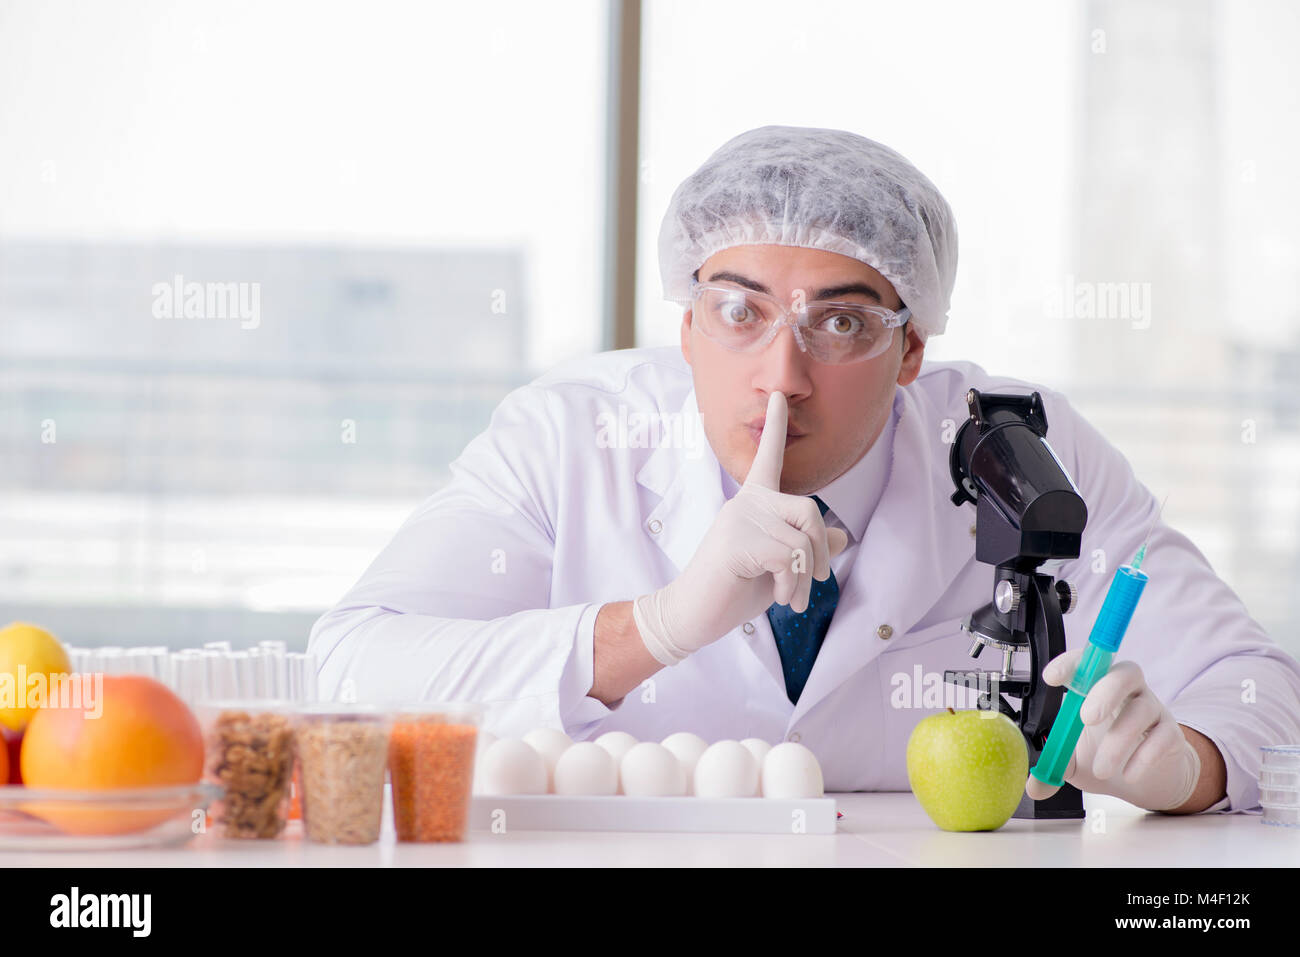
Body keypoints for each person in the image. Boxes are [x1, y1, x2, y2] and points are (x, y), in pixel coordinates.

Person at [308, 125, 1300, 813]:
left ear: (912, 353)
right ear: (685, 325)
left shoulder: (1021, 448)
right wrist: (654, 628)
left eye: (840, 322)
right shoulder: (569, 439)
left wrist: (1189, 770)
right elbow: (349, 668)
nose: (782, 378)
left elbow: (1257, 687)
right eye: (739, 311)